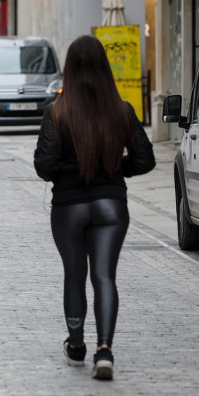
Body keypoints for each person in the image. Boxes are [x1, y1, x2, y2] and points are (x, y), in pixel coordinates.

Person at [34, 35, 155, 381]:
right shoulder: (122, 109)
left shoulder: (57, 112)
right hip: (110, 205)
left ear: (69, 69)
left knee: (75, 274)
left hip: (69, 205)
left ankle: (76, 346)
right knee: (105, 276)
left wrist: (69, 173)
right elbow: (145, 160)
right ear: (105, 68)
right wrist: (115, 170)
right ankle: (105, 349)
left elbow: (44, 166)